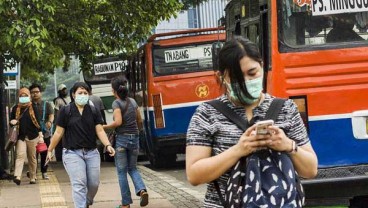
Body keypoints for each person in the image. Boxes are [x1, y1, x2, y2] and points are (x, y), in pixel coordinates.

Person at [186, 37, 318, 207]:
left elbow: (311, 170)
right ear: (220, 77)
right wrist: (238, 150)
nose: (246, 82)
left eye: (252, 73)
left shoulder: (286, 109)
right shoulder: (207, 114)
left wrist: (288, 145)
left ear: (262, 66)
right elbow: (194, 175)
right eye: (236, 77)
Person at [46, 82, 115, 208]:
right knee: (79, 184)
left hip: (92, 153)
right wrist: (50, 150)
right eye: (80, 93)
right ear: (73, 94)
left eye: (85, 93)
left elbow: (99, 130)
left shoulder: (93, 111)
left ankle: (87, 201)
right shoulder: (65, 111)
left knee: (94, 183)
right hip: (72, 153)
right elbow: (58, 133)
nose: (83, 95)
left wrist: (108, 144)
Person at [103, 76, 149, 208]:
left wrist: (104, 127)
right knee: (133, 168)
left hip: (122, 140)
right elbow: (139, 120)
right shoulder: (133, 102)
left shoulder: (116, 103)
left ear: (114, 91)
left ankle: (126, 204)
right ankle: (142, 190)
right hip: (134, 138)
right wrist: (137, 132)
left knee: (122, 172)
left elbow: (118, 122)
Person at [10, 87, 44, 185]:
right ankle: (17, 176)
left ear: (29, 96)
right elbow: (11, 122)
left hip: (33, 136)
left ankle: (33, 177)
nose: (23, 98)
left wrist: (41, 135)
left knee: (32, 157)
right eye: (21, 96)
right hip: (21, 136)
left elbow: (37, 122)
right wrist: (12, 122)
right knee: (20, 155)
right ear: (19, 97)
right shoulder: (15, 108)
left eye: (25, 96)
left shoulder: (33, 107)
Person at [29, 83, 54, 180]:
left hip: (45, 133)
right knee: (33, 154)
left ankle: (44, 172)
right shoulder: (28, 105)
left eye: (37, 92)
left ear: (40, 93)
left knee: (45, 153)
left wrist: (50, 122)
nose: (35, 94)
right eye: (32, 92)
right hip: (32, 133)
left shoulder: (46, 104)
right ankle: (33, 173)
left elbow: (51, 114)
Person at [53, 83, 70, 161]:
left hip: (68, 122)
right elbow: (56, 113)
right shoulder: (58, 100)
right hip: (60, 123)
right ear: (60, 92)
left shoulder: (69, 99)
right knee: (59, 141)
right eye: (63, 90)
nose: (65, 91)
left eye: (65, 89)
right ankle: (59, 157)